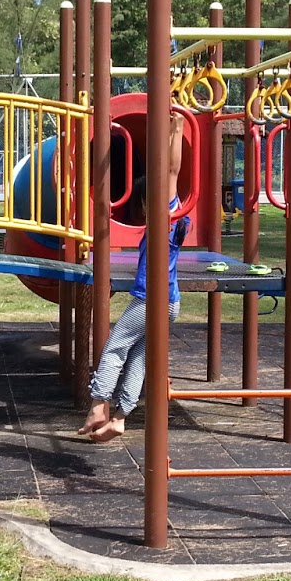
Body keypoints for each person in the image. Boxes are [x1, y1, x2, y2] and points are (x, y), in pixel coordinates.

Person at [80, 113, 189, 443]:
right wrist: (172, 133)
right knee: (138, 357)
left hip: (150, 301)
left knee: (115, 348)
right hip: (169, 302)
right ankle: (121, 417)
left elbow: (171, 172)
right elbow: (169, 174)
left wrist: (178, 128)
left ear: (144, 204)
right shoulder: (170, 224)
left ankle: (99, 405)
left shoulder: (166, 219)